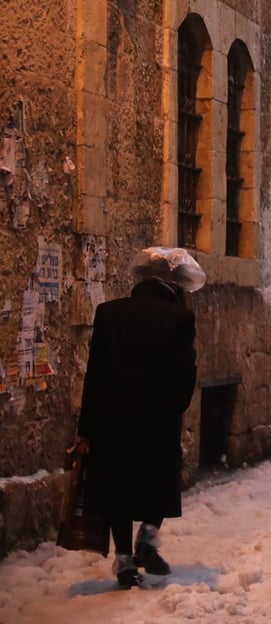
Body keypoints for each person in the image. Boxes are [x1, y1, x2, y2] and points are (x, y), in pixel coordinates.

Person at [76, 247, 204, 589]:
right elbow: (183, 376)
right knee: (158, 479)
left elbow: (95, 374)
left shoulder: (109, 313)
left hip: (110, 419)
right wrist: (171, 410)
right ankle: (148, 536)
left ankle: (123, 561)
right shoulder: (179, 318)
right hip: (156, 420)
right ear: (173, 283)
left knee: (116, 486)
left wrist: (86, 428)